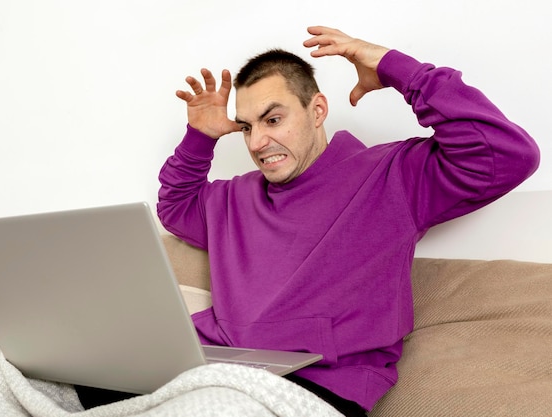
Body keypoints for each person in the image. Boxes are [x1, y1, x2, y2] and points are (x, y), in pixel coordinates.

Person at [78, 26, 540, 414]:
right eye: (246, 127)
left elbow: (506, 154)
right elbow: (175, 208)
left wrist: (396, 67)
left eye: (273, 119)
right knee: (28, 366)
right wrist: (200, 136)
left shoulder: (390, 178)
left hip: (316, 385)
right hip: (213, 364)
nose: (257, 142)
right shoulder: (234, 197)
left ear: (316, 111)